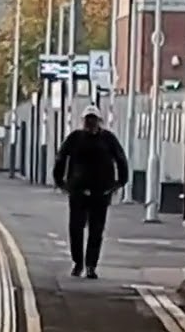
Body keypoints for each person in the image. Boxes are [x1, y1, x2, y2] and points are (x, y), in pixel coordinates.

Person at [53, 104, 129, 279]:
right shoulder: (75, 138)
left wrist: (120, 182)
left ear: (98, 121)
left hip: (101, 192)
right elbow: (61, 157)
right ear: (84, 121)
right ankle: (78, 262)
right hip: (78, 191)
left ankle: (91, 265)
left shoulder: (108, 139)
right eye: (88, 119)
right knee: (76, 229)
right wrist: (60, 181)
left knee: (96, 231)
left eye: (93, 119)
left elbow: (120, 159)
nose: (90, 123)